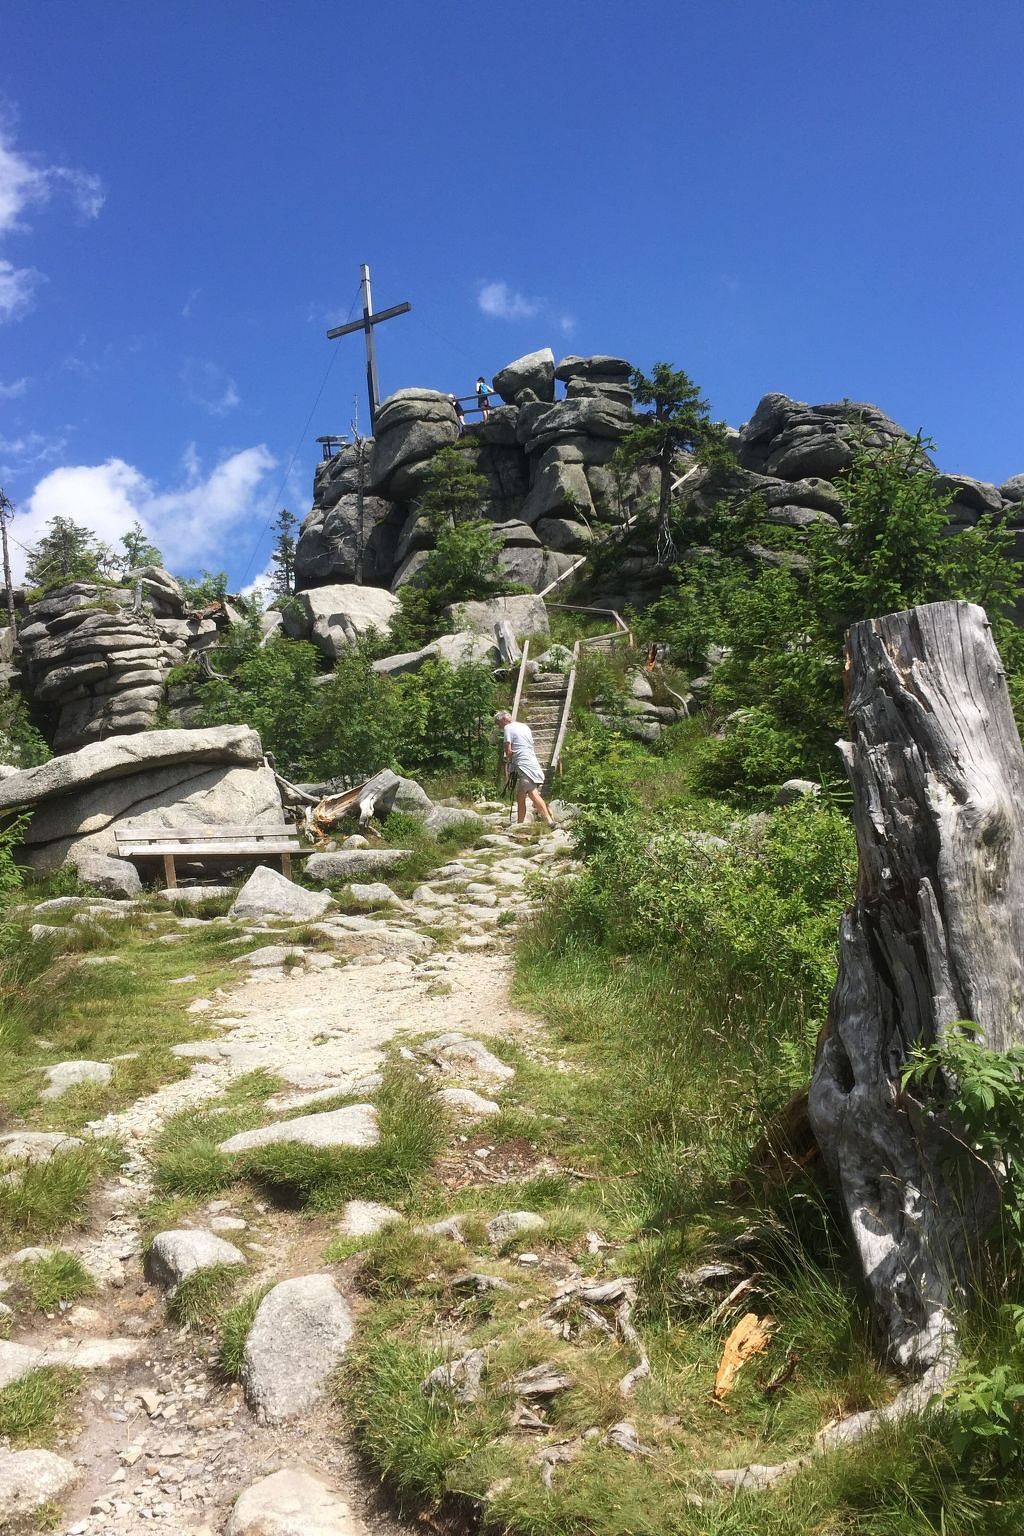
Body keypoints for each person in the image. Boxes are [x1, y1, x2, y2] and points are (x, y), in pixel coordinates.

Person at [495, 709, 556, 829]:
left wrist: (510, 762)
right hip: (532, 762)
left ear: (503, 719)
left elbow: (508, 750)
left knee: (532, 793)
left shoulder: (508, 728)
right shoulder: (524, 727)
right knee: (520, 795)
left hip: (523, 764)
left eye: (499, 724)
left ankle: (549, 821)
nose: (500, 727)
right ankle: (520, 823)